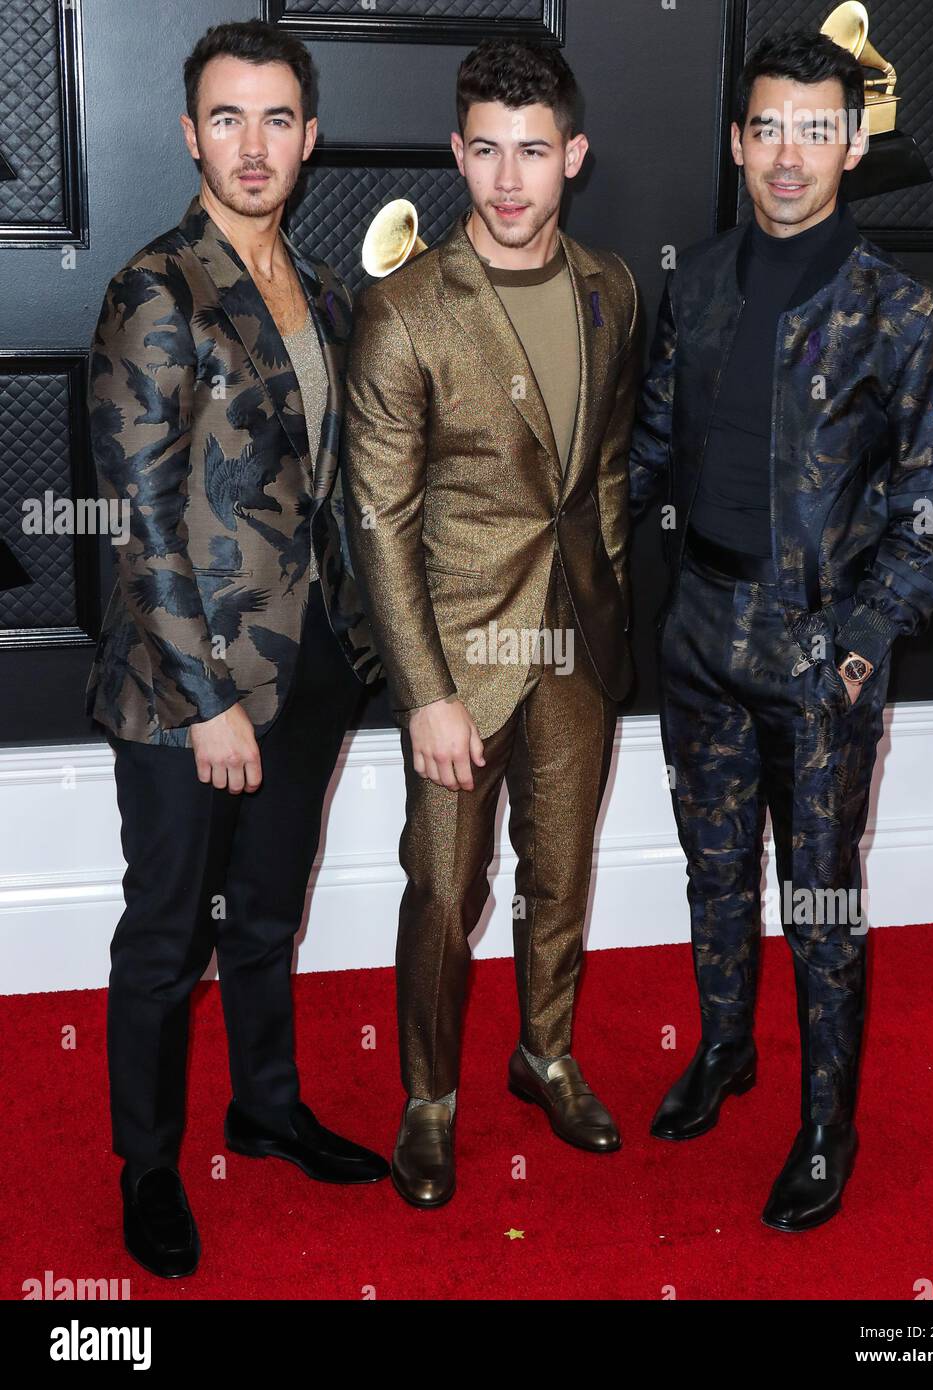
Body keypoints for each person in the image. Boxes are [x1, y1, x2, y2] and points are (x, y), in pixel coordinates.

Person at [629, 31, 933, 1231]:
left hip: (818, 650)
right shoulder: (700, 280)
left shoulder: (906, 315)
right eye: (766, 128)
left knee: (816, 899)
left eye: (813, 129)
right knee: (710, 870)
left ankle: (828, 1123)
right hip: (698, 635)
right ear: (736, 143)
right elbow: (656, 445)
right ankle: (725, 1049)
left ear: (853, 143)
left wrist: (860, 640)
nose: (787, 154)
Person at [86, 20, 389, 1278]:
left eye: (276, 119)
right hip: (185, 694)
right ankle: (148, 1167)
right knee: (168, 933)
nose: (253, 145)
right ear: (190, 132)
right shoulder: (156, 286)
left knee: (264, 913)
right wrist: (206, 700)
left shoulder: (319, 290)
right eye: (227, 118)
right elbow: (138, 522)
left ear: (308, 137)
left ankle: (262, 1108)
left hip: (308, 666)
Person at [343, 39, 639, 1207]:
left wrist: (607, 607)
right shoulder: (405, 310)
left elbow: (604, 468)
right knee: (443, 892)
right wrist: (423, 691)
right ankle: (428, 1098)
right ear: (455, 154)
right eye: (484, 151)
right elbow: (378, 519)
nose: (508, 182)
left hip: (575, 648)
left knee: (557, 876)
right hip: (460, 658)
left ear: (571, 154)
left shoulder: (614, 286)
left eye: (532, 152)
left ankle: (544, 1054)